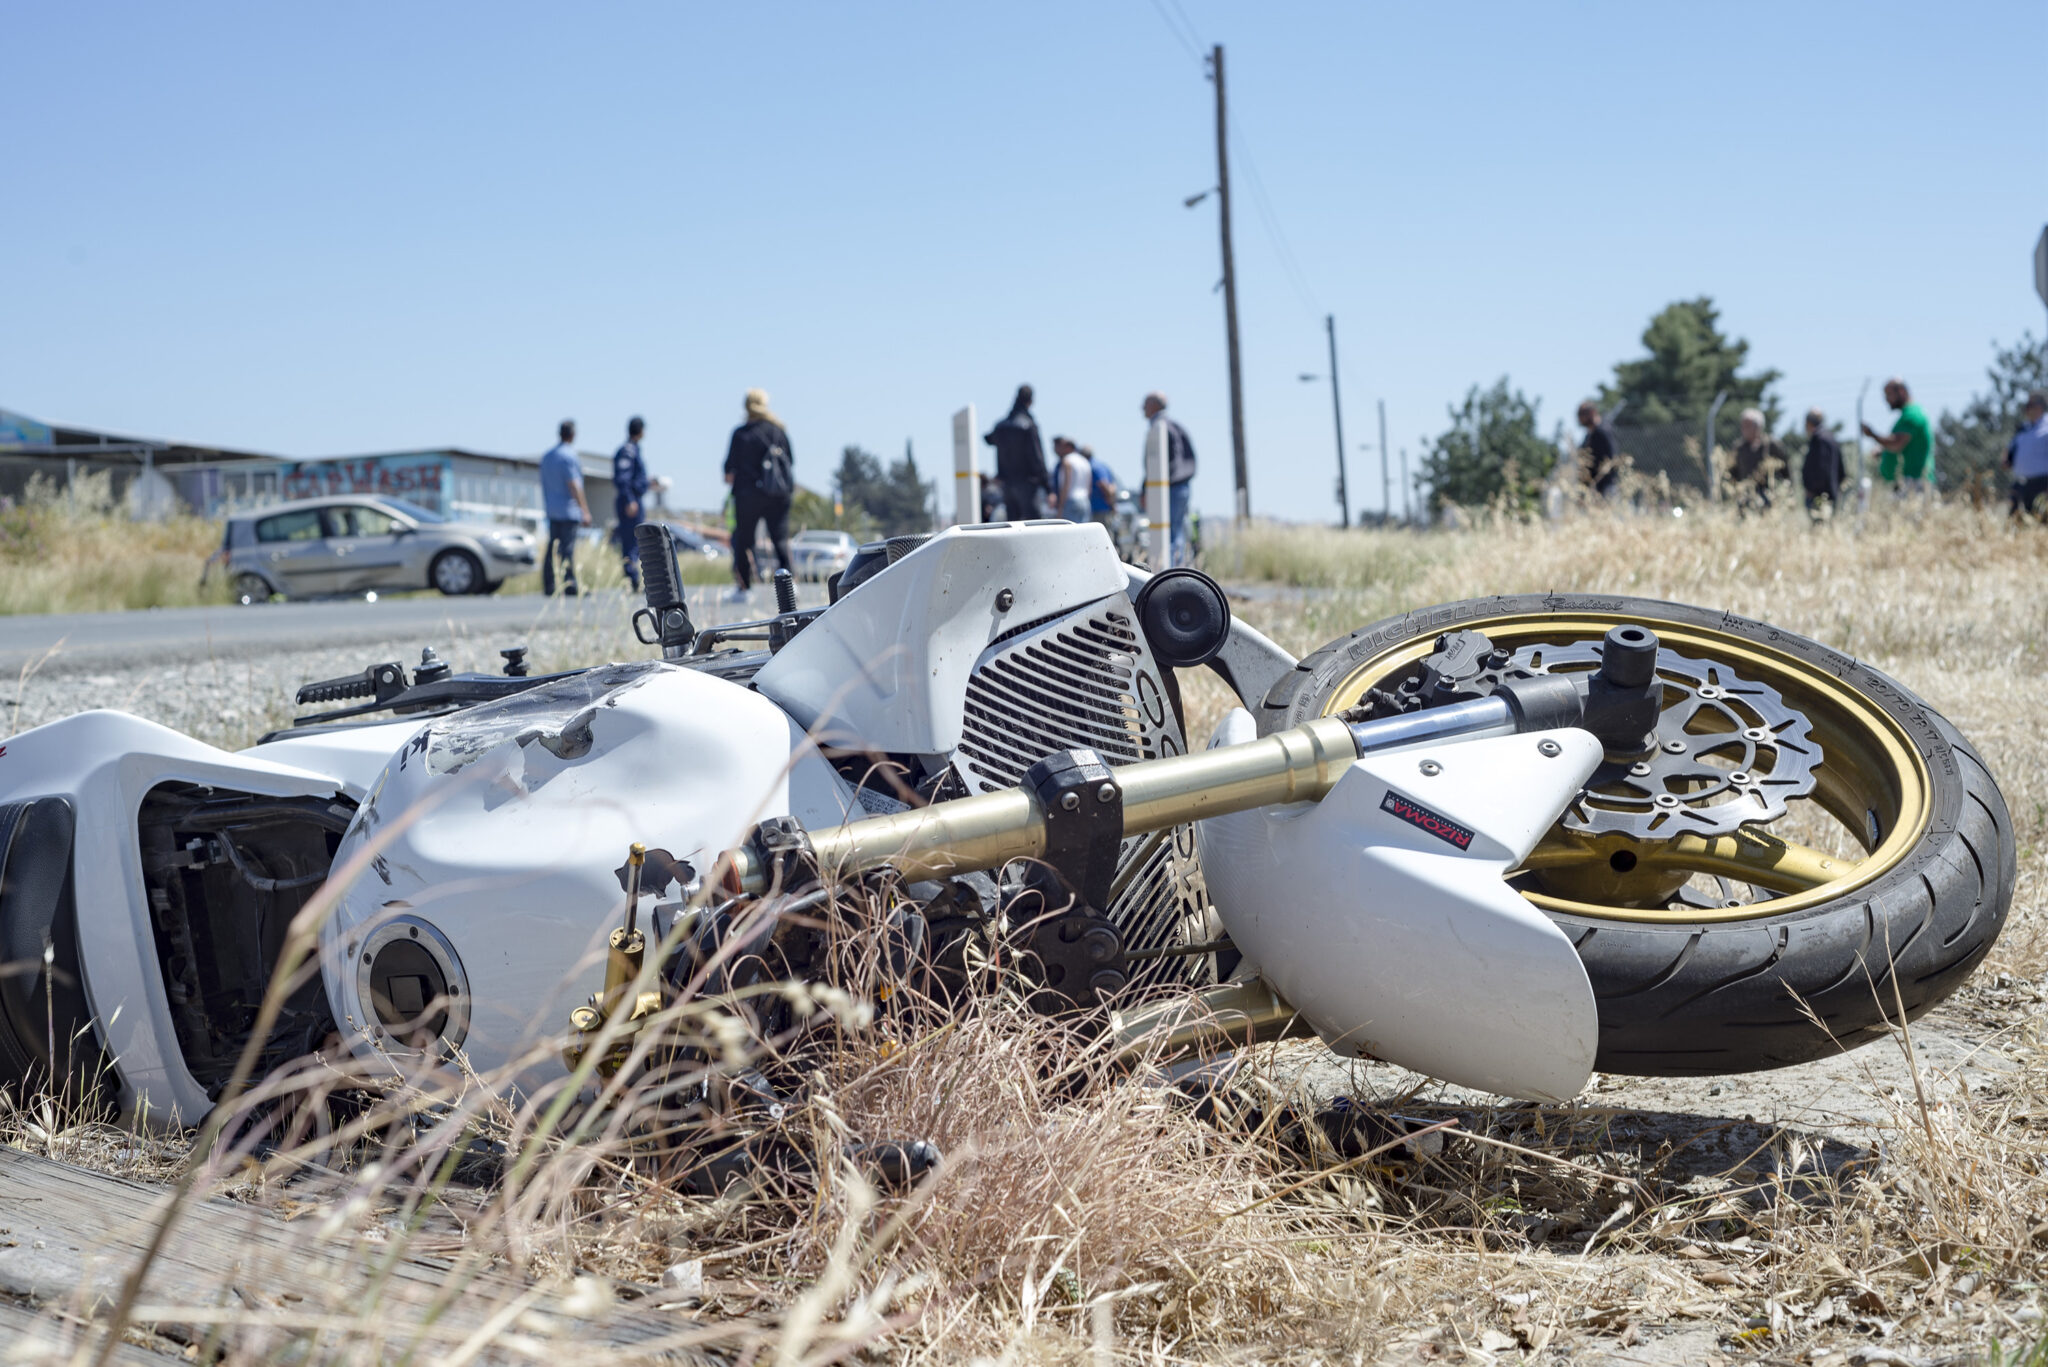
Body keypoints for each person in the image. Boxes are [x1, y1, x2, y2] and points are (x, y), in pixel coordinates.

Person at [724, 388, 794, 601]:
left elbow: (729, 473)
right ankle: (789, 587)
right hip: (778, 495)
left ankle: (744, 589)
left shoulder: (741, 434)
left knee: (744, 541)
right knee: (780, 539)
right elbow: (790, 462)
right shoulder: (778, 431)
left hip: (748, 495)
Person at [1142, 392, 1197, 566]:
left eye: (1145, 404)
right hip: (1181, 486)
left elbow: (1156, 464)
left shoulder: (1159, 427)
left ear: (1154, 405)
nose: (1142, 408)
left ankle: (1169, 572)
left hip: (1168, 487)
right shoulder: (1174, 426)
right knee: (1176, 531)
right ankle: (1176, 569)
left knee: (1168, 534)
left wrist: (1146, 488)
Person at [539, 419, 590, 596]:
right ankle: (570, 585)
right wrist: (584, 510)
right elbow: (574, 485)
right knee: (567, 549)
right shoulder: (569, 456)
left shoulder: (547, 457)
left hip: (552, 510)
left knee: (552, 548)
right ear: (573, 434)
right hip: (568, 511)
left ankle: (549, 585)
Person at [984, 385, 1049, 521]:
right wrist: (1047, 486)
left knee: (1013, 525)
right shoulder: (1028, 425)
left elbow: (988, 439)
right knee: (1033, 524)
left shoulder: (1001, 426)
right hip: (1027, 483)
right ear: (1030, 401)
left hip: (1007, 484)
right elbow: (1037, 457)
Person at [1862, 378, 1934, 497]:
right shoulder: (1908, 415)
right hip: (1906, 482)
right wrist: (1882, 449)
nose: (1886, 400)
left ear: (1901, 391)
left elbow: (1896, 444)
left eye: (1888, 395)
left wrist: (1872, 434)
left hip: (1914, 481)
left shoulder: (1912, 415)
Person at [612, 416, 650, 591]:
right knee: (631, 541)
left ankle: (633, 578)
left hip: (634, 499)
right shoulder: (628, 451)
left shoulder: (634, 449)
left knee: (636, 542)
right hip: (631, 502)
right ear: (641, 431)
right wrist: (630, 500)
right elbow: (623, 478)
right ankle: (631, 579)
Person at [1730, 408, 1789, 506]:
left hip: (1769, 495)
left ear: (1758, 426)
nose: (1743, 429)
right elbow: (1732, 472)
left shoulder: (1771, 445)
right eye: (1742, 425)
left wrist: (1785, 492)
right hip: (1746, 495)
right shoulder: (1738, 447)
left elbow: (1786, 470)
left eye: (1747, 425)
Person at [2005, 390, 2048, 517]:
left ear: (2040, 406)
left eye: (2030, 405)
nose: (2027, 408)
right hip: (2021, 484)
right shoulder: (2023, 428)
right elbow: (2010, 450)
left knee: (2042, 521)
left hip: (2043, 483)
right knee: (2016, 521)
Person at [1801, 408, 1845, 520]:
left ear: (1808, 423)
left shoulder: (1819, 439)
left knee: (1819, 530)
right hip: (1830, 493)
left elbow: (1820, 468)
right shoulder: (1831, 438)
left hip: (1819, 495)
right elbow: (1841, 468)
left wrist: (1812, 490)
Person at [1577, 401, 1619, 498]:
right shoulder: (1589, 435)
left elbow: (1611, 459)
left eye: (1582, 414)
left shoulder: (1603, 431)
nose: (1579, 419)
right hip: (1593, 487)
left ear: (1592, 413)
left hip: (1605, 486)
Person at [1052, 435, 1093, 523]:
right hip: (1085, 501)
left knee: (1070, 533)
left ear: (1068, 447)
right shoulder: (1084, 461)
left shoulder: (1067, 461)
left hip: (1071, 501)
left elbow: (1065, 485)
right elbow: (1089, 485)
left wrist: (1060, 507)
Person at [1085, 443, 1120, 536]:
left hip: (1099, 509)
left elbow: (1104, 486)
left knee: (1101, 536)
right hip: (1104, 507)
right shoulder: (1102, 465)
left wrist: (1112, 504)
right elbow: (1113, 486)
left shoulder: (1093, 467)